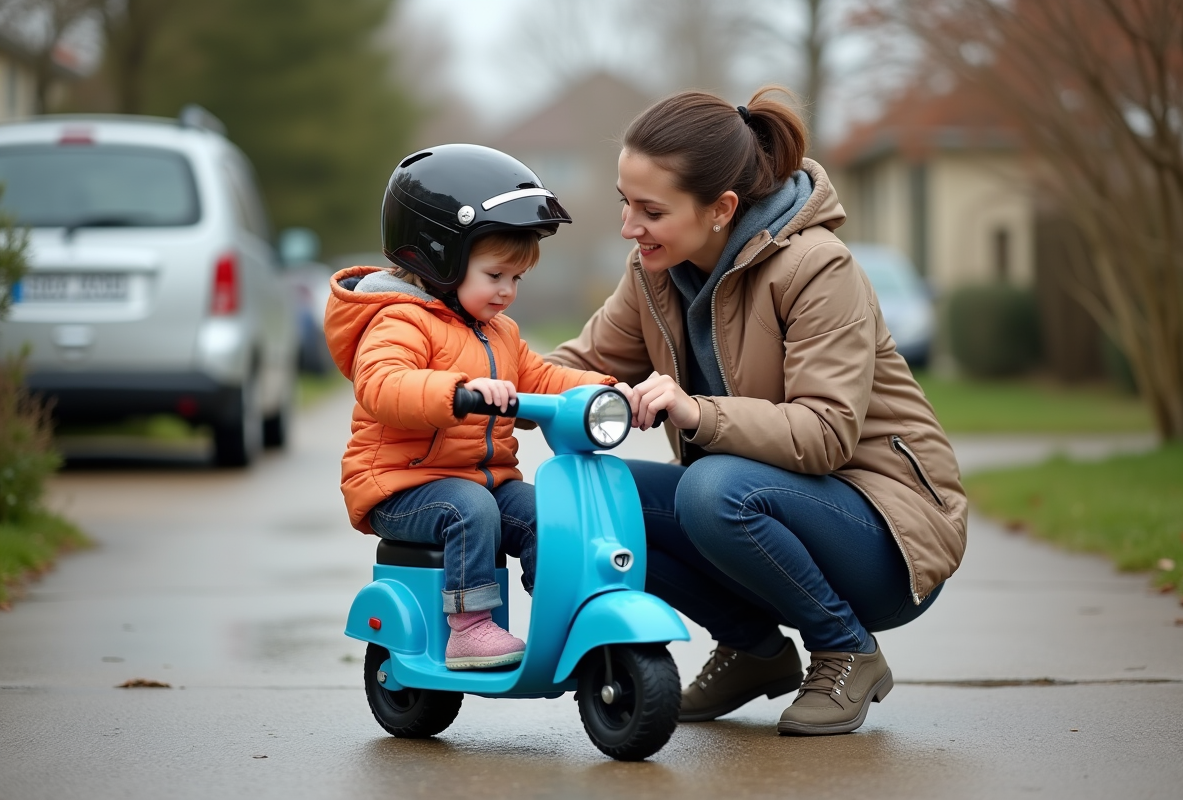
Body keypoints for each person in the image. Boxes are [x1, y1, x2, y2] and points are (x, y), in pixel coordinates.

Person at [547, 88, 968, 734]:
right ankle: (753, 649)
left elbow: (825, 435)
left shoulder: (817, 269)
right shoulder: (653, 273)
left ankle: (846, 648)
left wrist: (696, 412)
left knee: (713, 488)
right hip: (759, 511)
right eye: (624, 203)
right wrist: (474, 378)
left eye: (651, 210)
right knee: (598, 494)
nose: (630, 227)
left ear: (721, 209)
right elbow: (575, 364)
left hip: (886, 538)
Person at [325, 144, 615, 670]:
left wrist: (607, 390)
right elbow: (382, 384)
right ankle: (471, 626)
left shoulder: (498, 331)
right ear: (440, 258)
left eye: (516, 279)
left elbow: (542, 376)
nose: (507, 292)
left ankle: (569, 616)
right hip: (402, 484)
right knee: (469, 508)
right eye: (495, 275)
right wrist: (456, 392)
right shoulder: (398, 321)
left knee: (547, 512)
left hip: (484, 481)